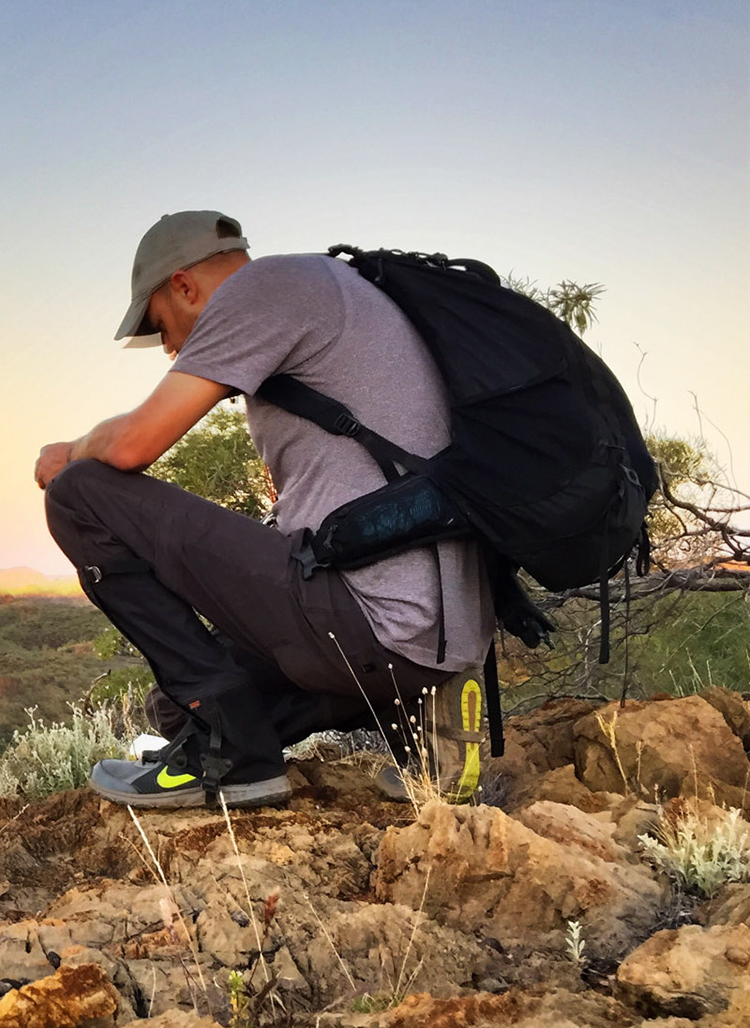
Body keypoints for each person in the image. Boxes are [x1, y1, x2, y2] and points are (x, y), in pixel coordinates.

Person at [36, 211, 492, 808]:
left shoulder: (261, 289)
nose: (169, 348)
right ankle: (420, 705)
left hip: (371, 619)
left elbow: (131, 445)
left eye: (161, 326)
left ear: (184, 286)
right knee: (175, 712)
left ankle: (235, 761)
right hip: (428, 634)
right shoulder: (333, 290)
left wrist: (70, 451)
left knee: (80, 493)